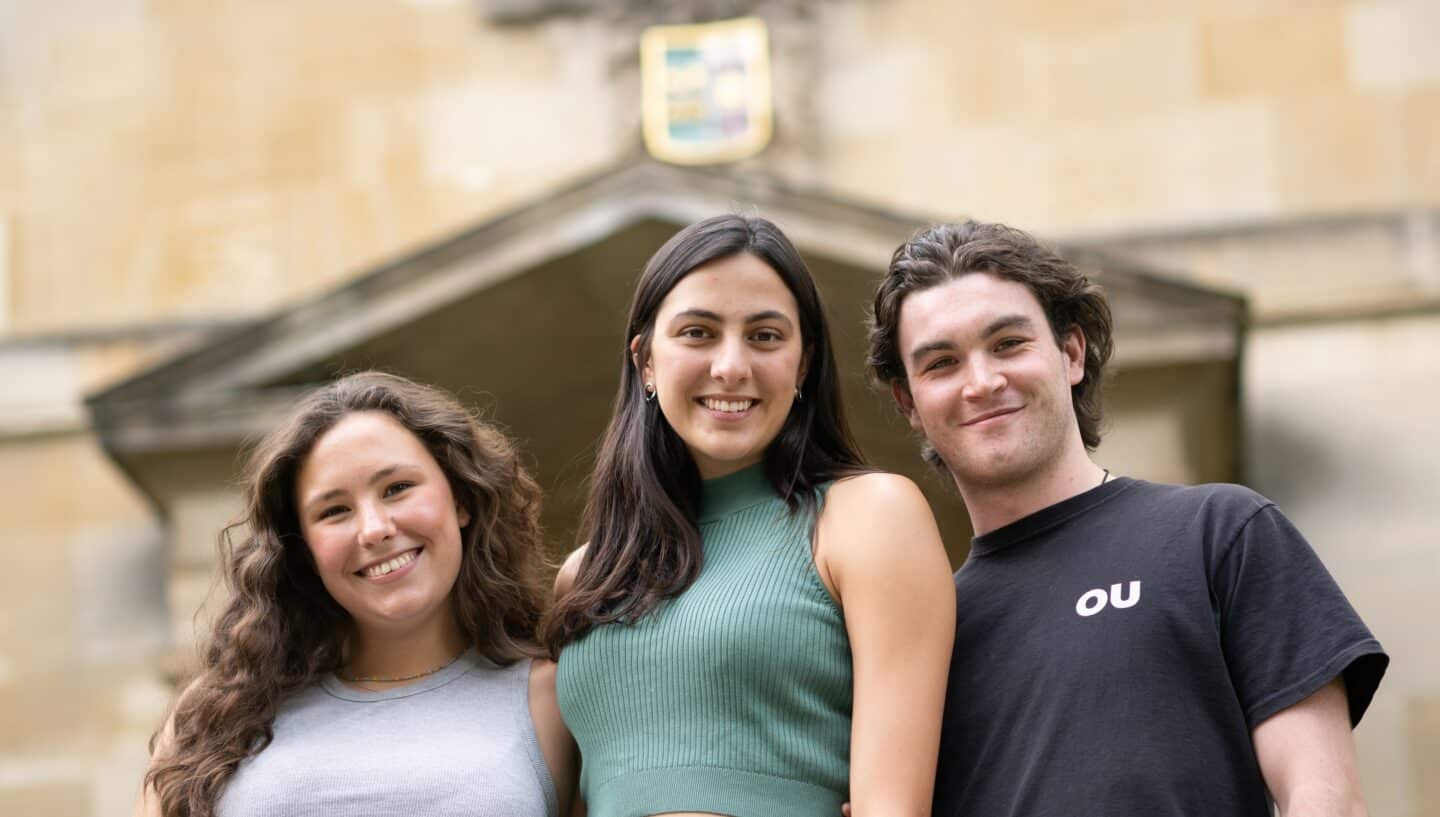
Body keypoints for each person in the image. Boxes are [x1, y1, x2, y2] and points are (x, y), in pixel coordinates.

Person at [866, 220, 1388, 816]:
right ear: (908, 402)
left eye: (1009, 344)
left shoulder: (1219, 533)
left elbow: (1325, 798)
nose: (982, 382)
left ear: (1071, 353)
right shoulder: (924, 631)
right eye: (941, 363)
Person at [544, 214, 955, 817]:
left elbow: (894, 808)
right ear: (646, 361)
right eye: (697, 333)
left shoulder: (867, 515)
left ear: (804, 364)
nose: (732, 366)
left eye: (765, 336)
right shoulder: (586, 577)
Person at [134, 372, 575, 817]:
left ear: (460, 498)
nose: (374, 529)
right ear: (303, 547)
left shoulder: (553, 698)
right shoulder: (217, 713)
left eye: (398, 488)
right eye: (335, 511)